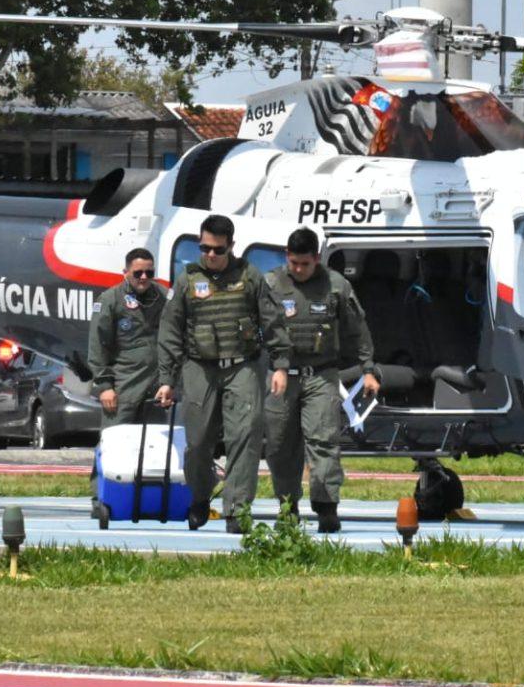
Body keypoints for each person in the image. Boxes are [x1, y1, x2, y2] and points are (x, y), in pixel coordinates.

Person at [155, 214, 290, 533]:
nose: (210, 255)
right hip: (199, 369)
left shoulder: (250, 276)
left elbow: (272, 321)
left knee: (245, 438)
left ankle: (237, 510)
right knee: (198, 442)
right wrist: (166, 379)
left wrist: (281, 365)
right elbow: (170, 330)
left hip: (242, 367)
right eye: (204, 248)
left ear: (231, 245)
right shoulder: (187, 279)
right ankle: (200, 496)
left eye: (217, 249)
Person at [263, 227, 378, 533]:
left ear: (316, 259)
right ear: (287, 257)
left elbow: (358, 329)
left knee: (323, 440)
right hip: (281, 376)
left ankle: (327, 507)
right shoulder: (271, 284)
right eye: (293, 263)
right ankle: (288, 507)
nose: (298, 270)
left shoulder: (336, 286)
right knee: (280, 444)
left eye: (305, 264)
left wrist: (368, 369)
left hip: (321, 376)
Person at [87, 247, 166, 426]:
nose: (144, 277)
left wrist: (170, 382)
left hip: (155, 388)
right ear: (126, 273)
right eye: (138, 273)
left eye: (149, 272)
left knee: (154, 445)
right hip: (124, 386)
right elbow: (97, 346)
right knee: (117, 444)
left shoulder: (163, 297)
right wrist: (105, 387)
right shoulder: (110, 300)